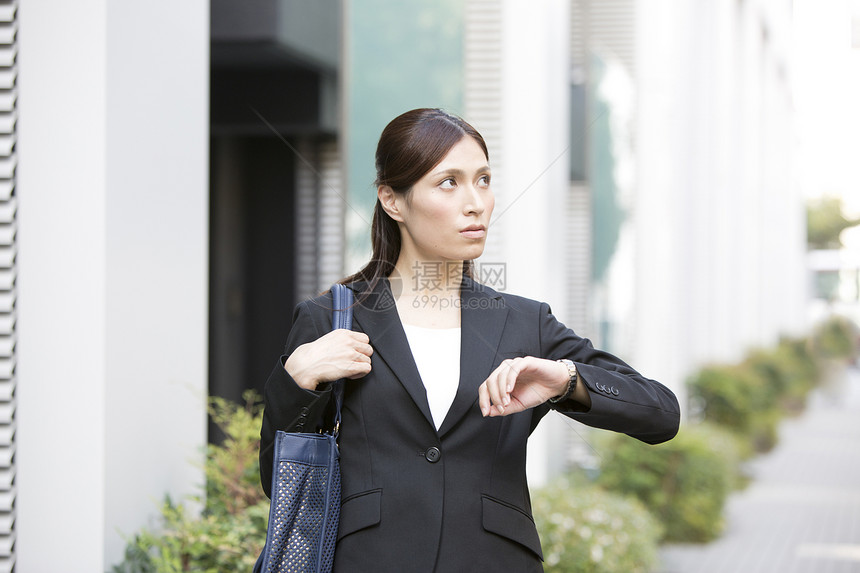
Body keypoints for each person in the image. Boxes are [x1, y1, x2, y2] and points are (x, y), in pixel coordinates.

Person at [259, 108, 680, 572]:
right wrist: (296, 383)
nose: (476, 202)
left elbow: (660, 412)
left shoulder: (523, 322)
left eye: (483, 180)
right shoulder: (331, 320)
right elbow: (277, 479)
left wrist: (565, 380)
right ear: (392, 200)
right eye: (449, 183)